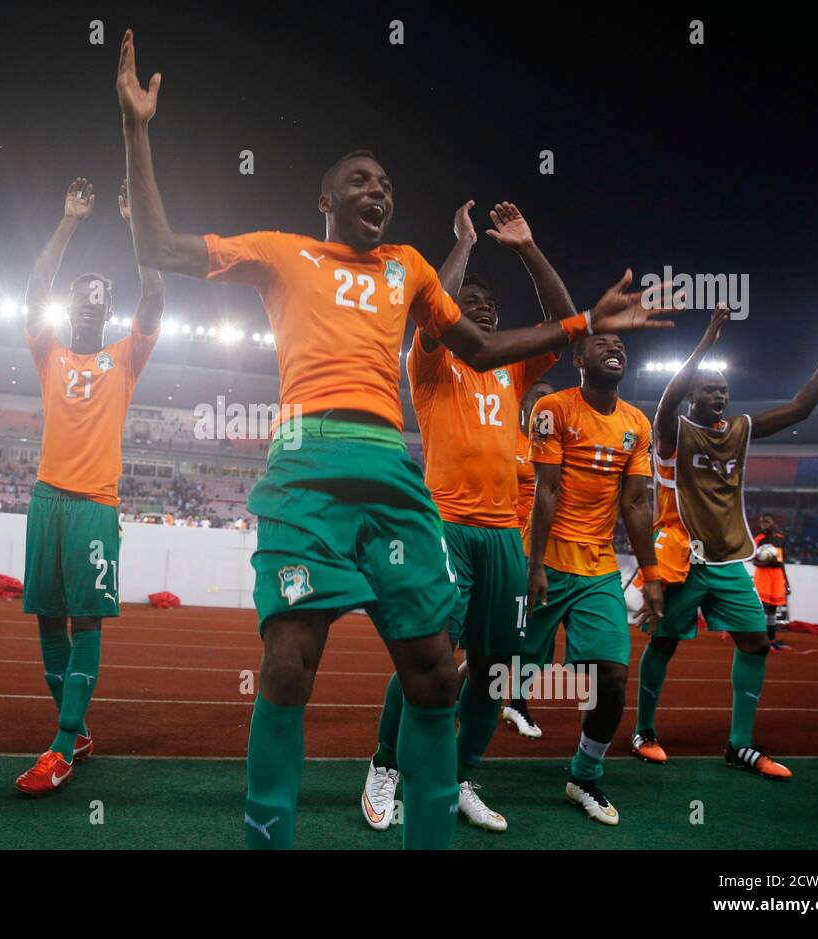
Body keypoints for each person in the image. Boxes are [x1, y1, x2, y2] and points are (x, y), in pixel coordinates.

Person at [116, 28, 679, 849]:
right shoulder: (283, 252)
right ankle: (267, 835)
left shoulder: (408, 266)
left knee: (438, 673)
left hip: (392, 472)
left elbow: (481, 349)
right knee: (286, 667)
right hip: (307, 467)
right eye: (359, 180)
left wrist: (582, 320)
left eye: (385, 182)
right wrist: (136, 126)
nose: (377, 190)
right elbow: (156, 246)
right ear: (326, 197)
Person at [360, 200, 573, 833]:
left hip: (504, 537)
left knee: (495, 668)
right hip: (445, 529)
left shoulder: (511, 367)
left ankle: (458, 778)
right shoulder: (430, 364)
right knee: (428, 656)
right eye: (469, 304)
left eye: (489, 307)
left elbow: (566, 323)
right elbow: (432, 306)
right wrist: (463, 245)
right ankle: (385, 765)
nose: (481, 309)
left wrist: (528, 248)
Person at [631, 306, 818, 780]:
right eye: (709, 389)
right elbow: (666, 403)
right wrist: (704, 343)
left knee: (756, 642)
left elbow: (797, 409)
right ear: (693, 397)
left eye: (723, 389)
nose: (719, 395)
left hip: (728, 561)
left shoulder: (739, 430)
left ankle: (739, 745)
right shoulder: (671, 432)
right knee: (664, 644)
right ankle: (644, 731)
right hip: (686, 559)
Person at [15, 176, 162, 796]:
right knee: (49, 622)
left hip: (94, 506)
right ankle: (71, 730)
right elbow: (31, 293)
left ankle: (61, 745)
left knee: (87, 625)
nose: (87, 303)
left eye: (98, 299)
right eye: (80, 295)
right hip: (46, 498)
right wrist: (70, 219)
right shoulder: (48, 351)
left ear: (109, 311)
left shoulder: (125, 356)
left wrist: (136, 228)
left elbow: (154, 298)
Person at [524, 334, 663, 824]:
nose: (616, 348)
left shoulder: (637, 424)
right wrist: (535, 563)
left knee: (611, 674)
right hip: (544, 559)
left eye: (622, 344)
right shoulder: (553, 408)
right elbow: (548, 488)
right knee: (496, 667)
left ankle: (584, 774)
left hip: (599, 567)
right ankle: (440, 752)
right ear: (578, 359)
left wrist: (650, 574)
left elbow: (636, 502)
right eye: (602, 343)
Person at [503, 377, 555, 738]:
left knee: (539, 637)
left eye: (553, 400)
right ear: (523, 406)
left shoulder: (558, 447)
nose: (547, 405)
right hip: (507, 548)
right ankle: (499, 700)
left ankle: (515, 701)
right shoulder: (507, 440)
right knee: (504, 635)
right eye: (539, 398)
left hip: (540, 550)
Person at [752, 512, 791, 649]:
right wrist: (766, 561)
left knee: (773, 610)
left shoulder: (780, 539)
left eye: (767, 522)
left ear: (773, 523)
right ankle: (760, 640)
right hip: (763, 576)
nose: (764, 524)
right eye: (762, 522)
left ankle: (772, 640)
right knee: (763, 608)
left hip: (777, 577)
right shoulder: (758, 539)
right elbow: (754, 561)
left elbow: (781, 562)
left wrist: (786, 581)